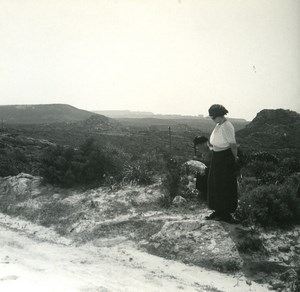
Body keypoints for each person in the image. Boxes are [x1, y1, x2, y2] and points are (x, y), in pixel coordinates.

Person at [206, 104, 239, 223]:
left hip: (225, 158)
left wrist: (235, 158)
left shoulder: (227, 126)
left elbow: (233, 144)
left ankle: (226, 213)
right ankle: (218, 210)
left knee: (225, 185)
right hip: (217, 157)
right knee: (215, 184)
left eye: (213, 118)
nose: (212, 120)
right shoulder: (218, 125)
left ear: (218, 116)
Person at [193, 136, 212, 201]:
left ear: (205, 144)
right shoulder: (205, 153)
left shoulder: (211, 152)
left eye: (199, 145)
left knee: (202, 173)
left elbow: (207, 163)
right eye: (197, 146)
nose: (198, 148)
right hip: (209, 173)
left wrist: (197, 161)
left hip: (212, 174)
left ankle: (205, 195)